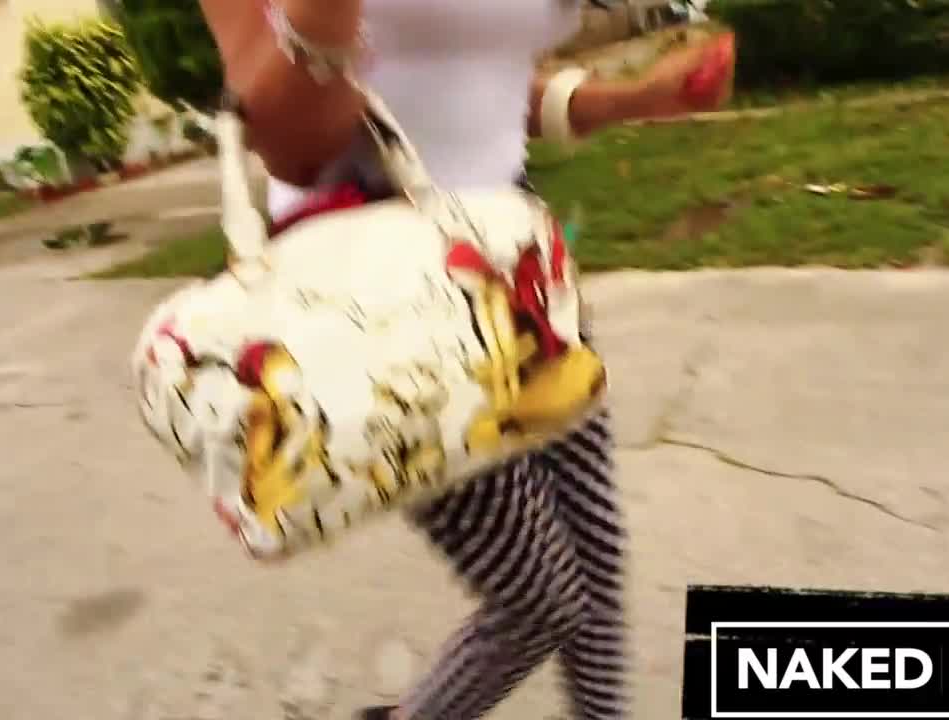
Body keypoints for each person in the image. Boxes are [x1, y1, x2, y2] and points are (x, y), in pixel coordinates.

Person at [197, 1, 734, 717]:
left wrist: (635, 99)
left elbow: (464, 73)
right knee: (537, 600)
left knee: (598, 554)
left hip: (509, 250)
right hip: (375, 291)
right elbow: (293, 145)